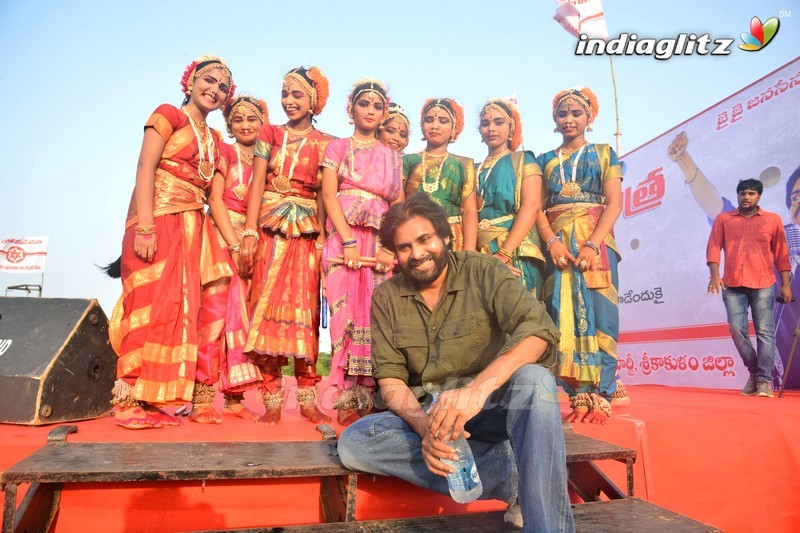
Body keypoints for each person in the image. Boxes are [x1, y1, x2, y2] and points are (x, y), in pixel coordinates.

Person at [337, 193, 574, 533]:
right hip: (433, 415)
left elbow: (539, 330)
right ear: (395, 252)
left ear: (445, 236)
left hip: (490, 407)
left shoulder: (483, 270)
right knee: (354, 443)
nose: (417, 254)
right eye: (405, 247)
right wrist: (425, 430)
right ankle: (514, 473)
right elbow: (390, 380)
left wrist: (478, 389)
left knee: (535, 382)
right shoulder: (387, 296)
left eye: (425, 240)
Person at [108, 55, 235, 429]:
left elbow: (215, 200)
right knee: (148, 305)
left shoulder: (215, 141)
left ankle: (162, 398)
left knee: (190, 312)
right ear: (191, 81)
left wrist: (236, 243)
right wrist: (145, 227)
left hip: (195, 227)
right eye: (208, 80)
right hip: (157, 220)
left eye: (223, 87)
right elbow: (145, 166)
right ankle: (127, 398)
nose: (214, 90)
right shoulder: (168, 114)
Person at [240, 67, 334, 425]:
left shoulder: (327, 142)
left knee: (305, 313)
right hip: (269, 227)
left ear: (314, 100)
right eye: (284, 94)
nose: (289, 101)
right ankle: (273, 400)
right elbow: (259, 182)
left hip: (307, 232)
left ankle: (308, 397)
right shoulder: (269, 133)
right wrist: (249, 229)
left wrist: (324, 238)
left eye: (297, 95)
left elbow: (325, 193)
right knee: (262, 311)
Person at [535, 86, 625, 424]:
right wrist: (552, 242)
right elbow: (538, 208)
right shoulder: (543, 161)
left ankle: (602, 390)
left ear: (589, 117)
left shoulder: (603, 153)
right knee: (561, 312)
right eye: (563, 114)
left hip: (595, 241)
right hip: (558, 245)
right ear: (555, 121)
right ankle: (577, 392)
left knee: (601, 311)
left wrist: (591, 244)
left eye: (576, 113)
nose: (569, 119)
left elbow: (614, 203)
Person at [320, 78, 404, 426]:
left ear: (384, 113)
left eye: (377, 106)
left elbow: (397, 207)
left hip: (380, 244)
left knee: (375, 317)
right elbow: (328, 196)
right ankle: (343, 396)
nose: (370, 111)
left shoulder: (393, 157)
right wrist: (349, 242)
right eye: (363, 104)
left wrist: (387, 248)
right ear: (350, 108)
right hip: (344, 241)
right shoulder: (336, 148)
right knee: (345, 316)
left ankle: (367, 396)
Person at [190, 95, 269, 424]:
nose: (246, 124)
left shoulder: (269, 158)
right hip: (223, 238)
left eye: (253, 118)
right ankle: (202, 398)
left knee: (247, 319)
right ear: (229, 125)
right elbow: (215, 199)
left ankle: (235, 397)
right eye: (239, 119)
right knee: (216, 317)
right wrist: (235, 245)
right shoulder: (224, 152)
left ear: (263, 122)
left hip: (255, 243)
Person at [706, 178, 792, 397]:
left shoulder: (772, 220)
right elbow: (714, 247)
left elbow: (782, 254)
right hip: (732, 284)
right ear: (737, 196)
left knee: (765, 332)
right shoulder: (724, 219)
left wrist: (786, 285)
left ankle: (763, 381)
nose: (746, 197)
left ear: (759, 197)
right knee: (736, 330)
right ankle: (755, 372)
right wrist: (714, 275)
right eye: (743, 193)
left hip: (763, 283)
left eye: (751, 193)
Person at [476, 98, 546, 297]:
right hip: (482, 254)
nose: (491, 128)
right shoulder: (472, 169)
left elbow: (531, 206)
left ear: (511, 126)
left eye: (499, 122)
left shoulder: (523, 160)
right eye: (485, 123)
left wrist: (503, 254)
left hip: (515, 250)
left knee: (520, 316)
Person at [403, 98, 477, 251]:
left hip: (453, 238)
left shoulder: (463, 164)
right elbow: (398, 202)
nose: (435, 126)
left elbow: (470, 211)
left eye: (443, 121)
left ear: (454, 128)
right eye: (429, 120)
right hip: (415, 234)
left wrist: (469, 253)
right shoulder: (408, 160)